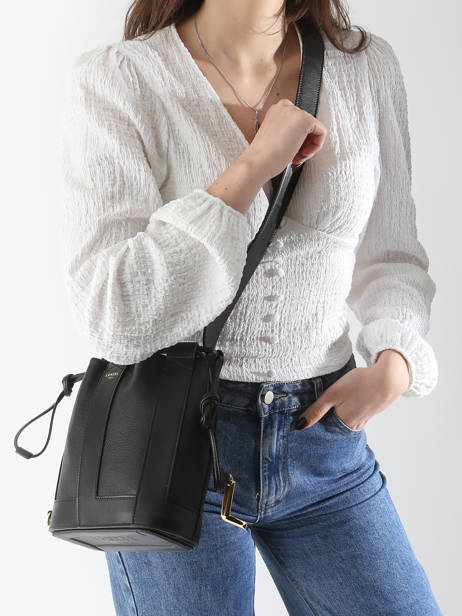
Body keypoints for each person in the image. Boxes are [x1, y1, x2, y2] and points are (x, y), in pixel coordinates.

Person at [60, 1, 442, 614]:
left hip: (324, 439)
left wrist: (395, 362)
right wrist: (250, 169)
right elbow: (112, 314)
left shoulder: (365, 67)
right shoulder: (121, 79)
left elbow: (392, 255)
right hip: (172, 444)